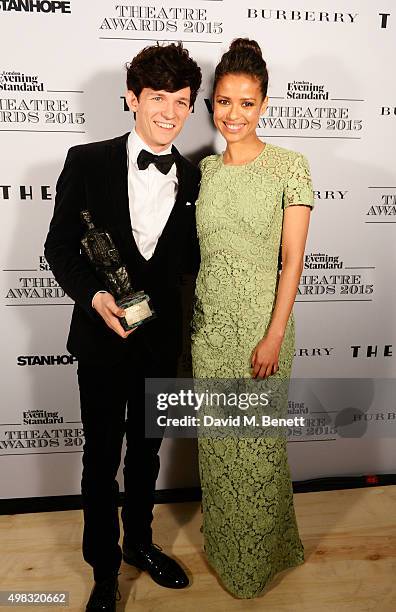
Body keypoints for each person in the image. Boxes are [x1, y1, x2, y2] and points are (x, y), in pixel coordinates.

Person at [44, 42, 202, 611]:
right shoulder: (86, 161)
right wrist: (93, 295)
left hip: (161, 347)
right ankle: (104, 572)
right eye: (158, 97)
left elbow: (196, 263)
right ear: (132, 98)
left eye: (182, 102)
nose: (169, 112)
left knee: (147, 456)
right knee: (100, 460)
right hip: (102, 341)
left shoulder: (193, 177)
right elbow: (58, 246)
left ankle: (139, 543)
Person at [191, 38, 314, 598]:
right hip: (209, 332)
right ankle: (227, 552)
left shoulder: (289, 166)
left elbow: (293, 261)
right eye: (223, 101)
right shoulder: (203, 172)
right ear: (211, 104)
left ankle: (264, 558)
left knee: (260, 450)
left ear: (264, 104)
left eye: (246, 103)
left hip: (264, 333)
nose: (232, 114)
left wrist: (273, 335)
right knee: (219, 454)